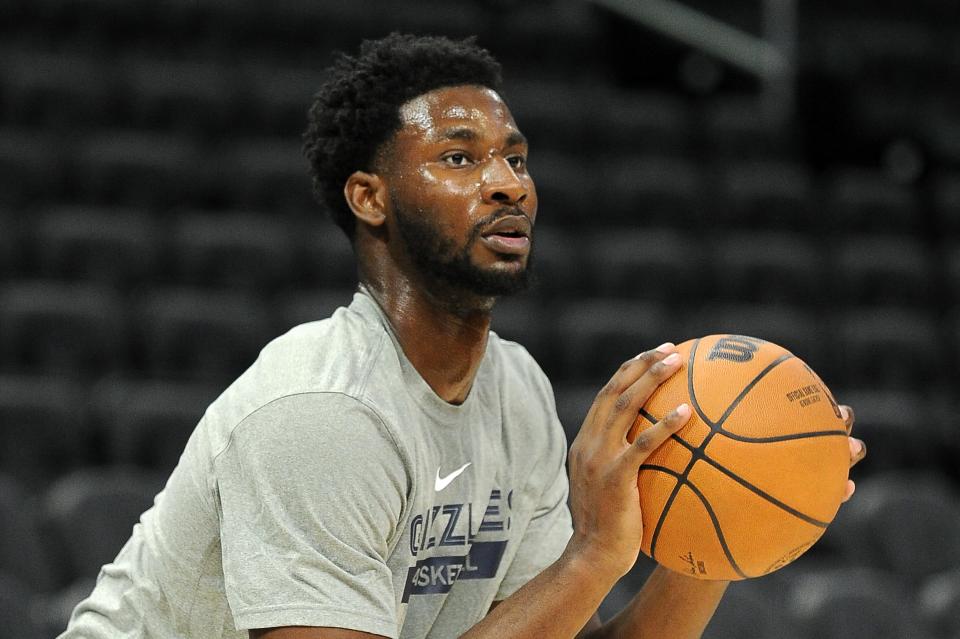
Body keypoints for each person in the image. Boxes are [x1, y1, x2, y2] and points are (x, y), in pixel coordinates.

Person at [59, 33, 866, 639]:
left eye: (515, 158)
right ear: (370, 197)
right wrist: (591, 555)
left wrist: (728, 522)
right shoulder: (320, 410)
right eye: (459, 156)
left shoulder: (516, 390)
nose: (508, 182)